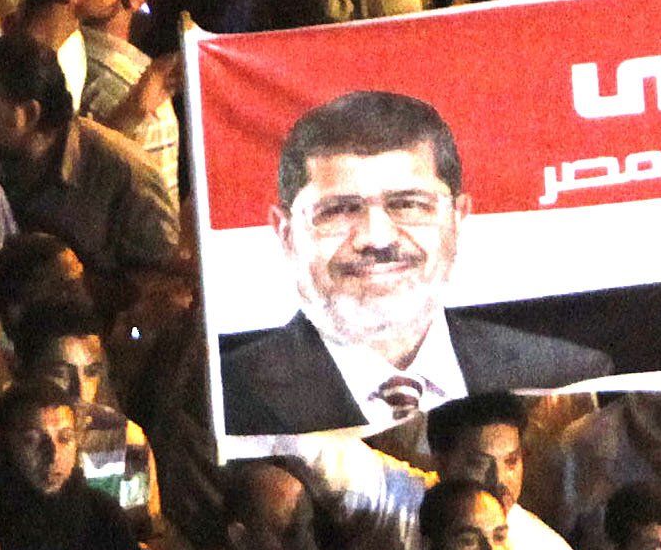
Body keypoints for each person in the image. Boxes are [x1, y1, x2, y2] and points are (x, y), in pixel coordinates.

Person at [217, 90, 613, 436]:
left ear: (457, 218)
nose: (377, 238)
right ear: (285, 232)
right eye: (339, 210)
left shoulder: (561, 377)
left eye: (408, 204)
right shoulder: (227, 395)